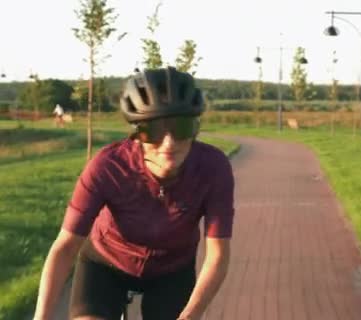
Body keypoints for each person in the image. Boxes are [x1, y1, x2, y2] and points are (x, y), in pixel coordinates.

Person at [33, 67, 235, 320]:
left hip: (172, 271)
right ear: (137, 134)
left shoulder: (213, 168)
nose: (169, 143)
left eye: (182, 128)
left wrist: (190, 315)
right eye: (153, 131)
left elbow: (217, 255)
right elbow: (65, 247)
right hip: (106, 264)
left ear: (195, 128)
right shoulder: (108, 166)